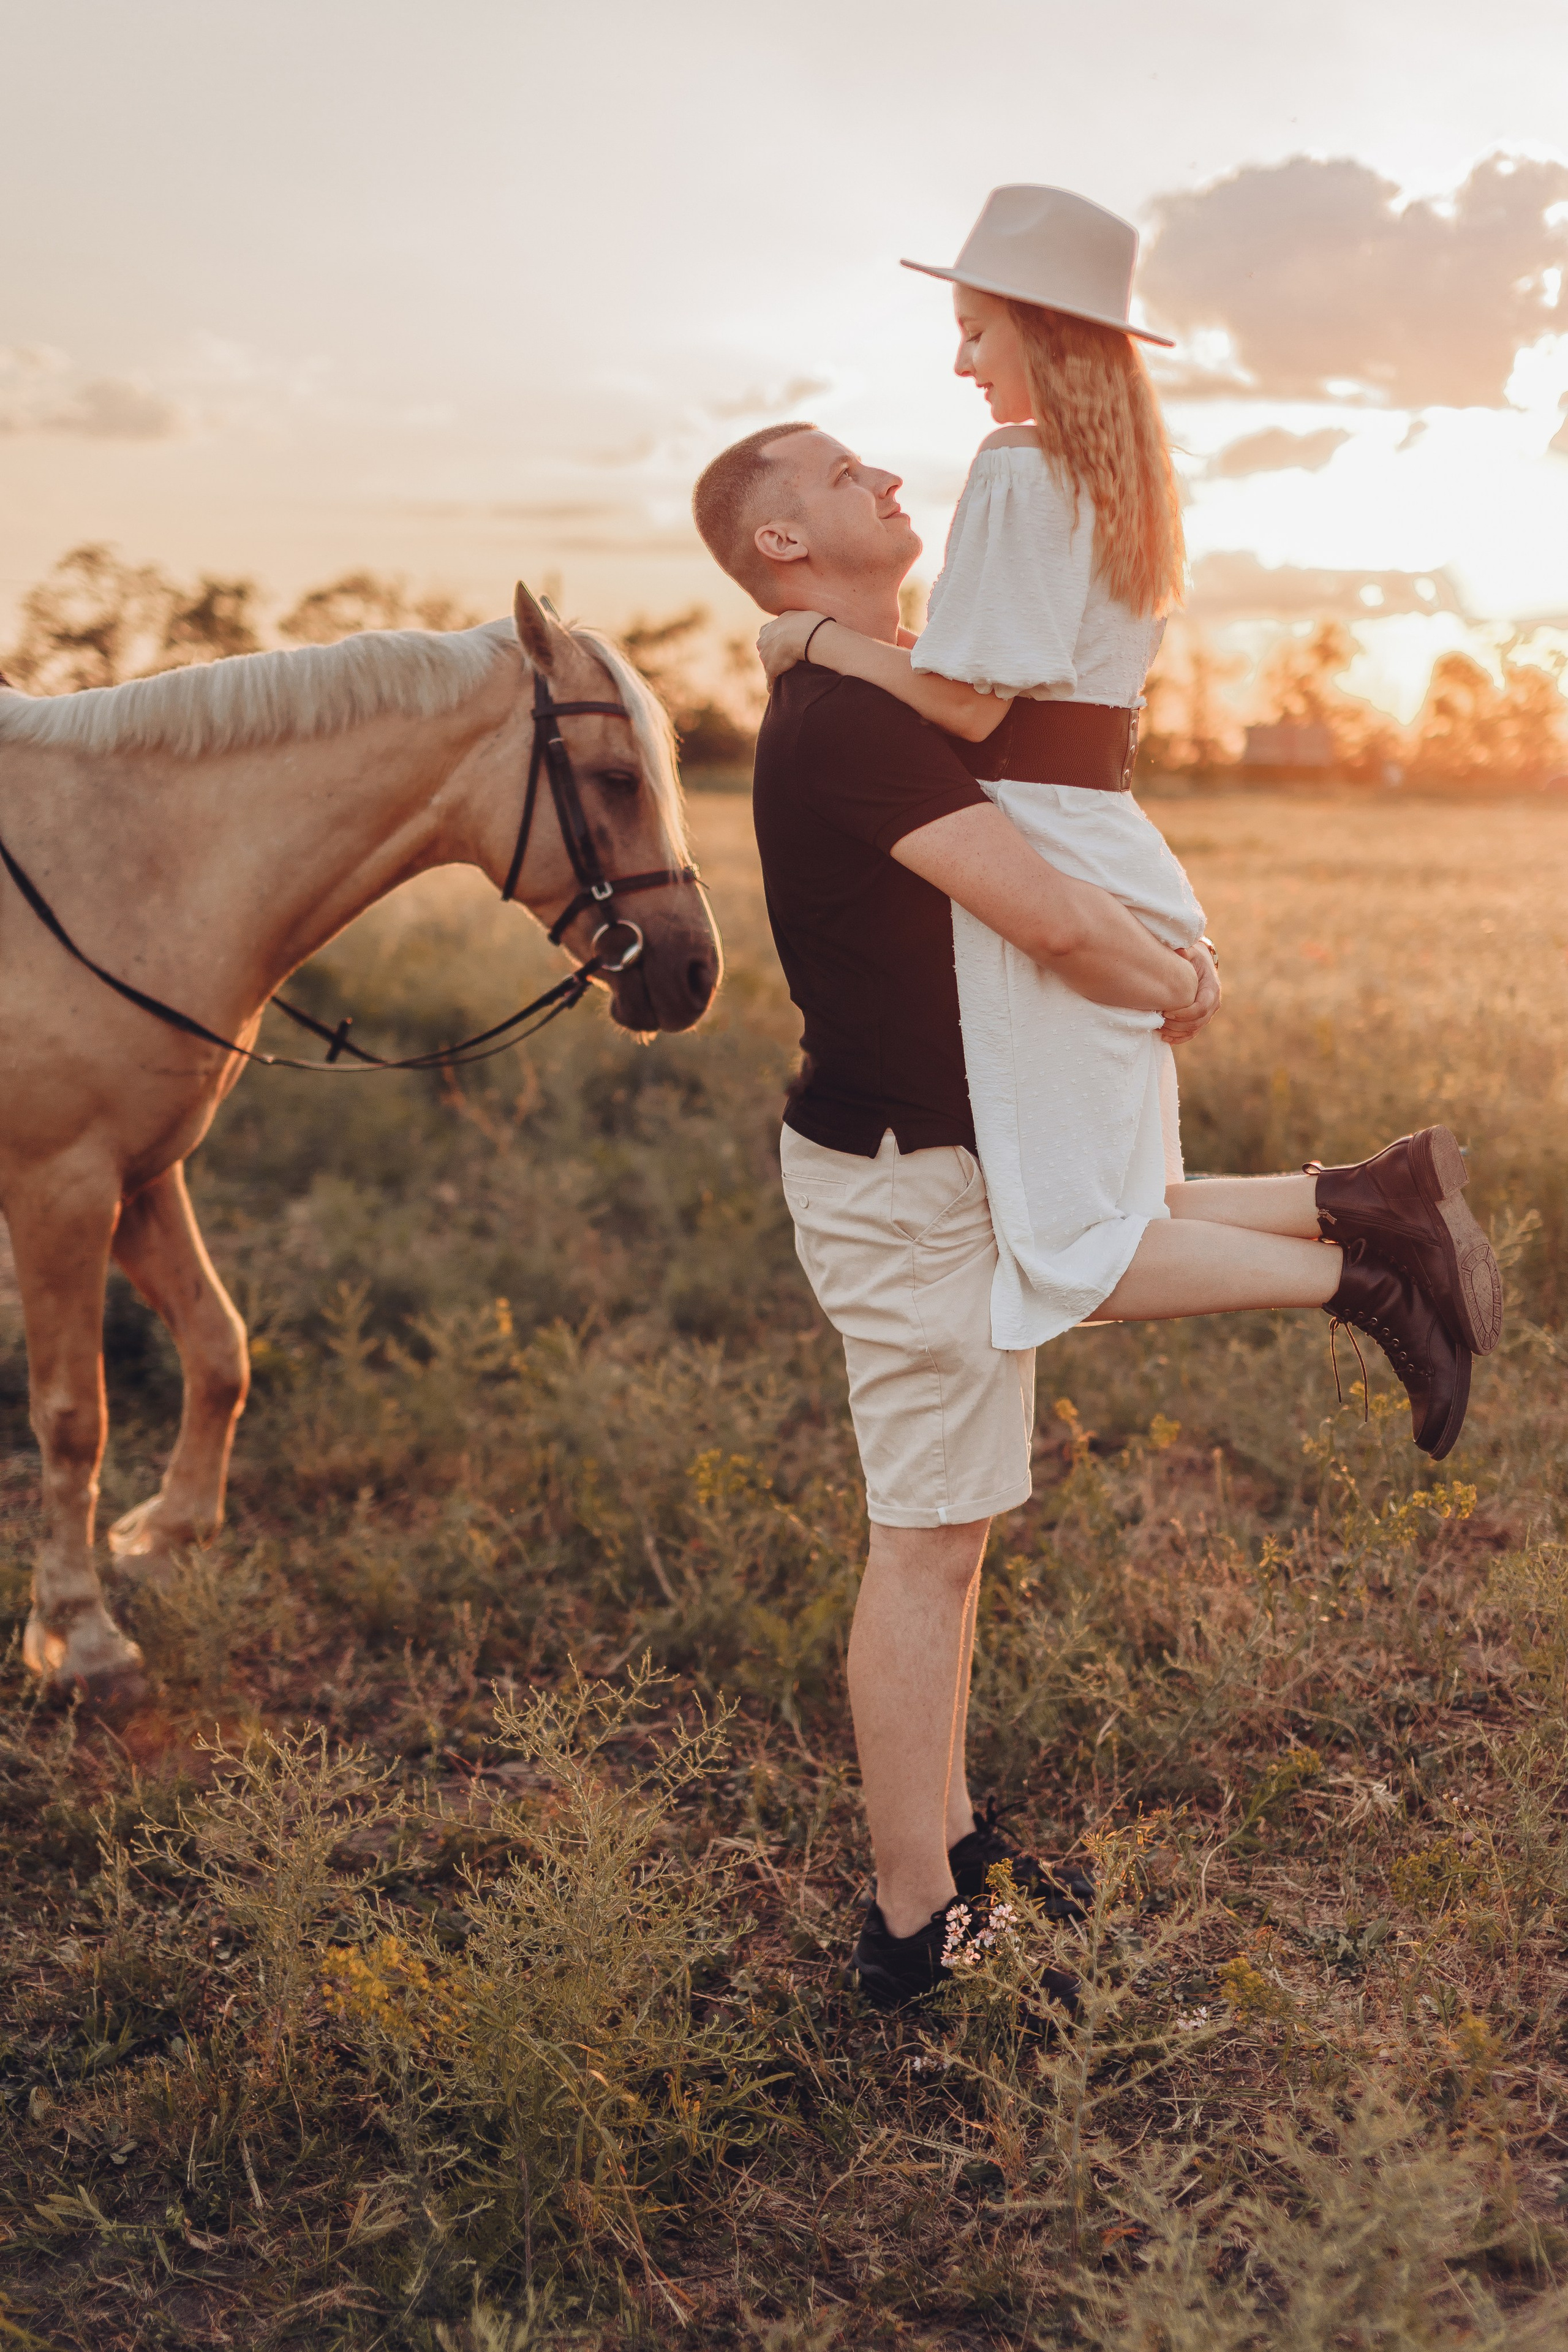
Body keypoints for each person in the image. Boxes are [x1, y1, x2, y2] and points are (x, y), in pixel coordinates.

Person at [690, 402, 1493, 2011]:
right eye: (848, 475)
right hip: (909, 1178)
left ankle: (1369, 1223)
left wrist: (821, 644)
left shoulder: (888, 691)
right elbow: (1048, 911)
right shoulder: (846, 732)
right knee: (927, 1547)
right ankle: (916, 1931)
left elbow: (1052, 760)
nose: (891, 475)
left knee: (996, 1467)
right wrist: (1171, 976)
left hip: (969, 1146)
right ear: (782, 540)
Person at [756, 186, 1502, 1461]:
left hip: (1038, 842)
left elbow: (973, 707)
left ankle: (1365, 1277)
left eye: (974, 331)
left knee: (1067, 1245)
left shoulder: (1012, 470)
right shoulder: (1127, 483)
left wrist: (810, 638)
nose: (958, 361)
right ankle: (1368, 1201)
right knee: (1111, 1200)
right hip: (1108, 828)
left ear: (1038, 336)